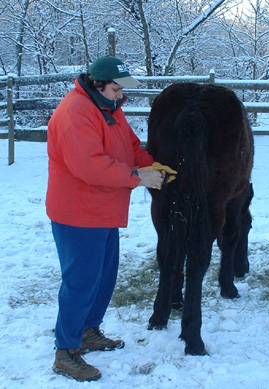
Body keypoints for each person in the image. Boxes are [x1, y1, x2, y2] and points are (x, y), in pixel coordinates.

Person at [46, 56, 176, 382]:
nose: (120, 95)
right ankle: (66, 351)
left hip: (102, 211)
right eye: (116, 88)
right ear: (97, 83)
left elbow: (131, 147)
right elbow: (90, 166)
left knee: (103, 277)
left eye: (122, 90)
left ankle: (88, 331)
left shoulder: (109, 111)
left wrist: (151, 166)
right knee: (81, 282)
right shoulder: (75, 112)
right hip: (77, 213)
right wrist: (138, 177)